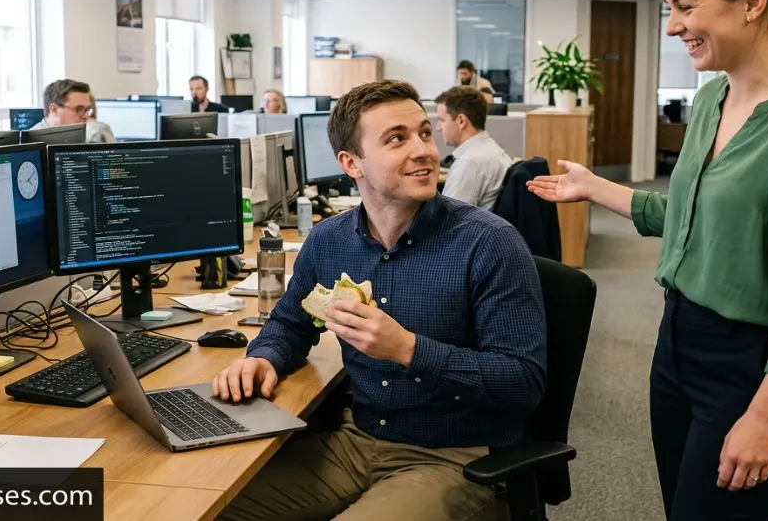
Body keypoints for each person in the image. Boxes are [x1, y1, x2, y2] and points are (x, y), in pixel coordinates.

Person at [528, 0, 768, 520]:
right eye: (669, 7)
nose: (673, 25)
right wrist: (593, 187)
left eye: (686, 6)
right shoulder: (712, 99)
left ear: (752, 3)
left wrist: (766, 415)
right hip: (680, 342)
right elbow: (692, 220)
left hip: (756, 366)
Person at [212, 79, 546, 521]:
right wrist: (265, 359)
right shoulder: (328, 241)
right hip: (356, 441)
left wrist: (407, 349)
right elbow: (291, 324)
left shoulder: (490, 243)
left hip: (453, 456)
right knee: (208, 507)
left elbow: (523, 381)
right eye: (397, 139)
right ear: (351, 163)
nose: (424, 150)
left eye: (426, 133)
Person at [435, 86, 512, 210]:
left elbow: (448, 220)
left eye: (442, 120)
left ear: (461, 121)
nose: (438, 128)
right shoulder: (494, 152)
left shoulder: (470, 163)